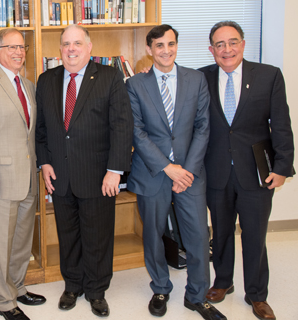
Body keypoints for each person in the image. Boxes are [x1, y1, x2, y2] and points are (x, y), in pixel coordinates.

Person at [126, 24, 227, 320]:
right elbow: (137, 131)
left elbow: (203, 127)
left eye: (171, 44)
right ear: (149, 50)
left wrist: (187, 171)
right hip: (153, 173)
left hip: (190, 174)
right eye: (159, 45)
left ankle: (196, 296)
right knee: (153, 236)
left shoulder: (196, 80)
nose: (166, 50)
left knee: (197, 237)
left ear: (177, 46)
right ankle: (160, 286)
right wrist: (168, 168)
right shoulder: (135, 85)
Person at [35, 24, 133, 317]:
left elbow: (122, 125)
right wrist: (45, 162)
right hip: (60, 176)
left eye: (77, 43)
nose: (71, 49)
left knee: (98, 235)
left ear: (89, 47)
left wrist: (115, 170)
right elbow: (41, 130)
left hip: (98, 175)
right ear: (60, 49)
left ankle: (97, 290)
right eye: (66, 44)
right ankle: (73, 285)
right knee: (68, 235)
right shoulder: (46, 80)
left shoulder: (109, 76)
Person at [199, 21, 294, 320]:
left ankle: (256, 294)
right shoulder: (201, 78)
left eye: (232, 42)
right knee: (222, 232)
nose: (227, 49)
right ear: (211, 49)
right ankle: (222, 282)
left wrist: (282, 167)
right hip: (215, 173)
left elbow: (281, 125)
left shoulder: (268, 76)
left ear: (243, 43)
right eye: (220, 44)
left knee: (255, 235)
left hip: (256, 172)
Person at [0, 28, 45, 320]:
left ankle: (18, 287)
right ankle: (4, 301)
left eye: (22, 47)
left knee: (22, 241)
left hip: (27, 178)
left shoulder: (28, 84)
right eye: (11, 47)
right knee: (0, 244)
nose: (18, 52)